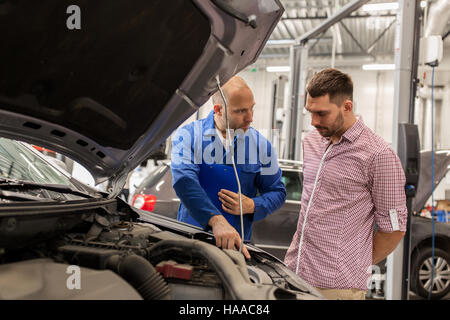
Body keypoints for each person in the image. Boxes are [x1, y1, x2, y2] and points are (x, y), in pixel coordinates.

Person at [284, 68, 407, 300]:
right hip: (294, 274)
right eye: (310, 112)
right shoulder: (312, 141)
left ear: (347, 107)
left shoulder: (378, 155)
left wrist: (351, 262)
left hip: (337, 288)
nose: (313, 122)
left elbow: (394, 229)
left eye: (321, 113)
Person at [171, 76, 286, 259]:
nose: (250, 117)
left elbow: (278, 192)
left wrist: (253, 205)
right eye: (241, 111)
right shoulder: (189, 136)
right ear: (218, 110)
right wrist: (216, 220)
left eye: (251, 108)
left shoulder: (261, 146)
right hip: (190, 243)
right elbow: (184, 181)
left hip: (237, 250)